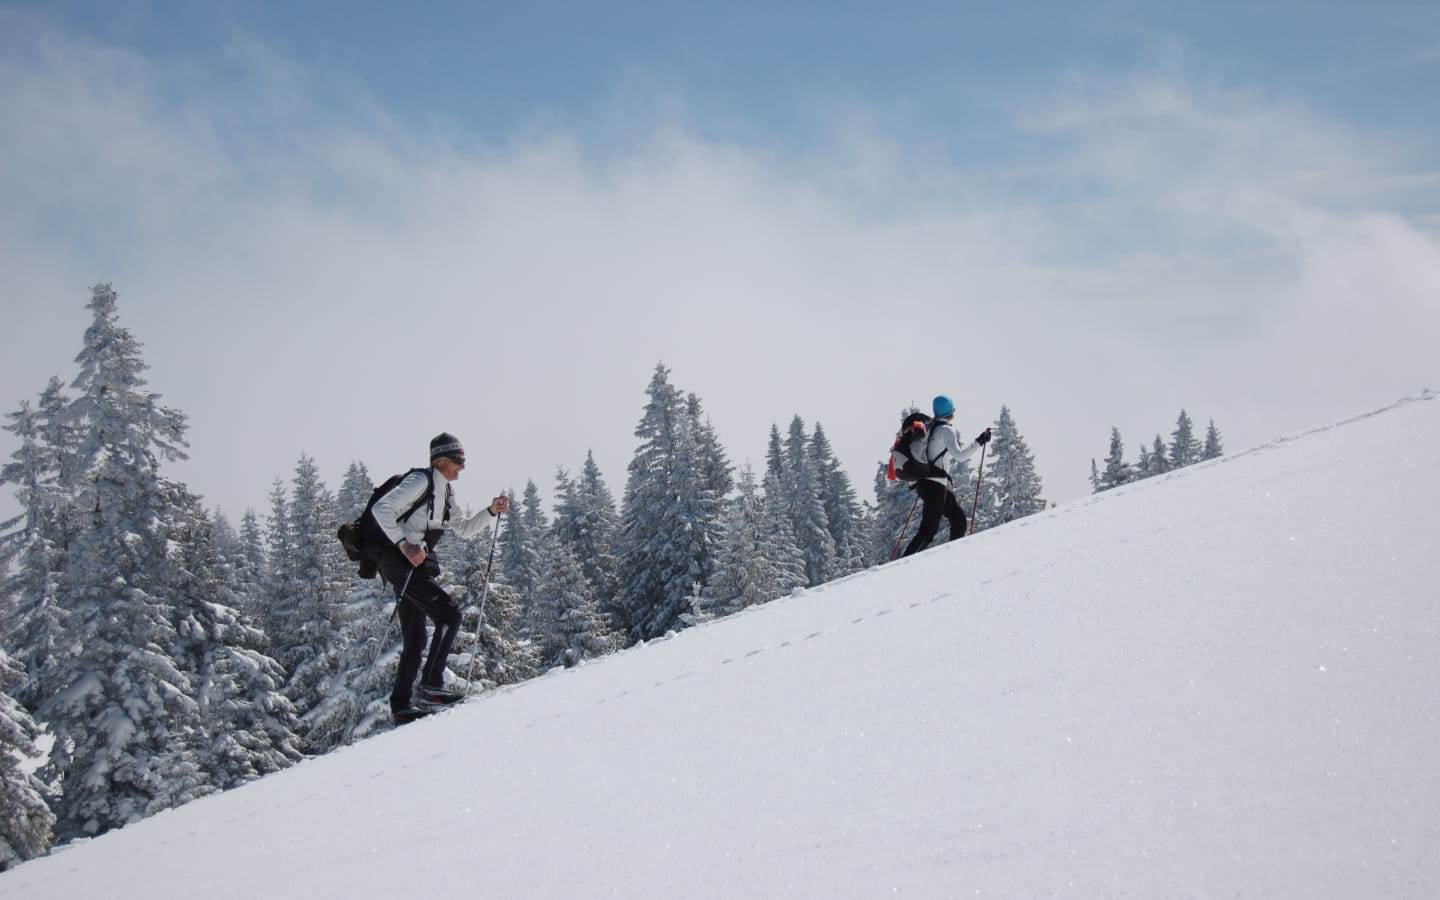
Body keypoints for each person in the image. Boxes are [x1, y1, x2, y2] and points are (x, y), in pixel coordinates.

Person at [372, 432, 510, 724]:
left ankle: (401, 707)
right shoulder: (420, 481)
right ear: (440, 459)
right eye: (458, 460)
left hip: (411, 562)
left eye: (464, 460)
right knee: (449, 614)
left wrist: (490, 511)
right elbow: (380, 509)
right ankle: (431, 686)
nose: (462, 466)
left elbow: (464, 528)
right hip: (399, 559)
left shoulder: (445, 491)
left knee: (416, 635)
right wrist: (404, 545)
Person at [901, 395, 990, 557]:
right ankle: (901, 565)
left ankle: (953, 556)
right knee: (928, 531)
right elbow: (960, 456)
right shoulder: (946, 430)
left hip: (925, 483)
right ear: (950, 411)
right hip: (935, 485)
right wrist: (979, 441)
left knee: (959, 520)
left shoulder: (930, 428)